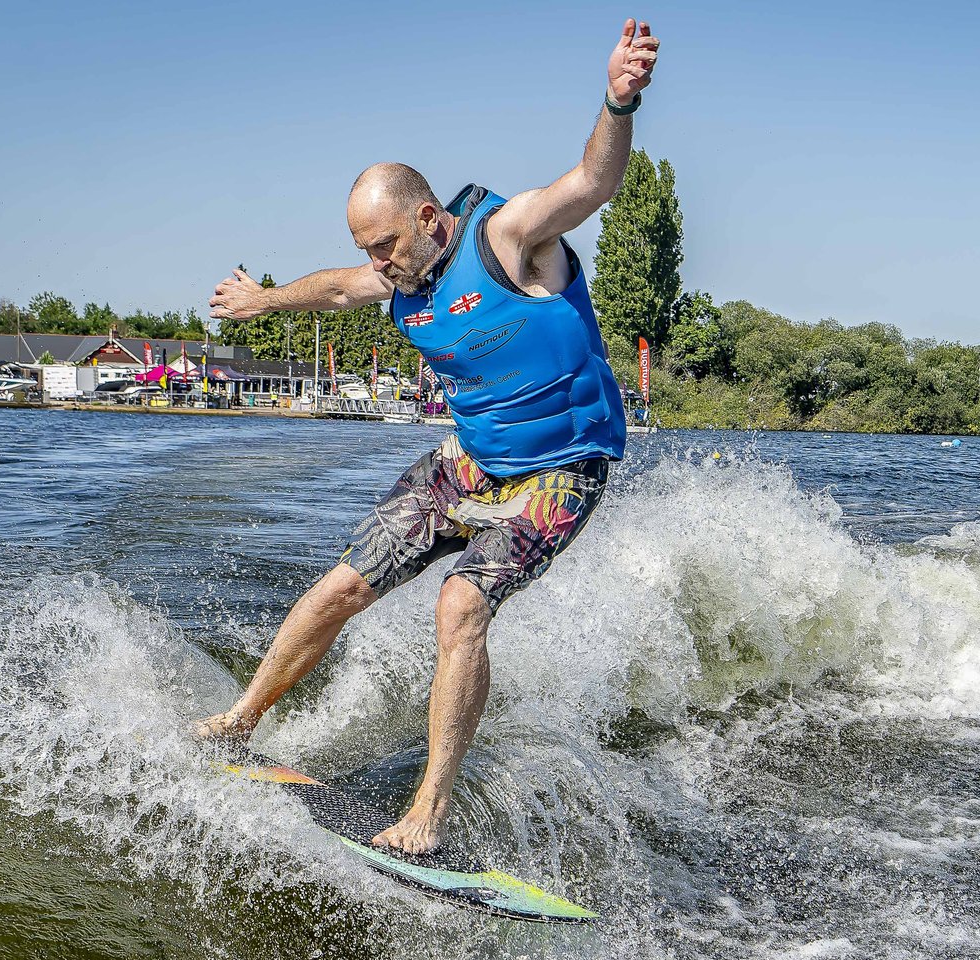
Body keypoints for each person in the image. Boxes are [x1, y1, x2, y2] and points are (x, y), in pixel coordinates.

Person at [198, 17, 660, 857]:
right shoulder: (396, 272)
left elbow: (592, 181)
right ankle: (239, 720)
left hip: (563, 469)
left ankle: (430, 811)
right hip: (474, 463)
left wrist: (616, 99)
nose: (378, 265)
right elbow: (337, 292)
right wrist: (264, 301)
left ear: (427, 218)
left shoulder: (508, 236)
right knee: (345, 582)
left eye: (385, 246)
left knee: (460, 603)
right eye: (368, 251)